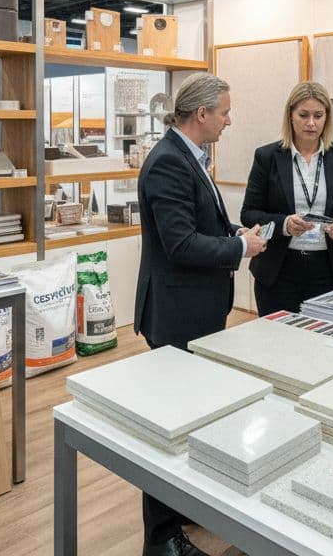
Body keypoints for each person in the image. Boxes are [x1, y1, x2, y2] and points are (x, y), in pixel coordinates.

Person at [134, 72, 267, 556]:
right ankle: (162, 538)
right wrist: (238, 246)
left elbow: (198, 225)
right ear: (202, 113)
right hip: (176, 313)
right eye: (225, 112)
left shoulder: (189, 157)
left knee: (191, 417)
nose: (230, 120)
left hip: (195, 309)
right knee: (170, 426)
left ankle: (180, 509)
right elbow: (180, 243)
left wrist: (235, 232)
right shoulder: (169, 162)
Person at [240, 81, 333, 315]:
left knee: (323, 345)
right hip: (279, 269)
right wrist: (285, 224)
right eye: (304, 115)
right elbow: (249, 213)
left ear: (327, 118)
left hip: (328, 268)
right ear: (290, 116)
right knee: (278, 343)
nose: (311, 123)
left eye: (318, 116)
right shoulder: (267, 156)